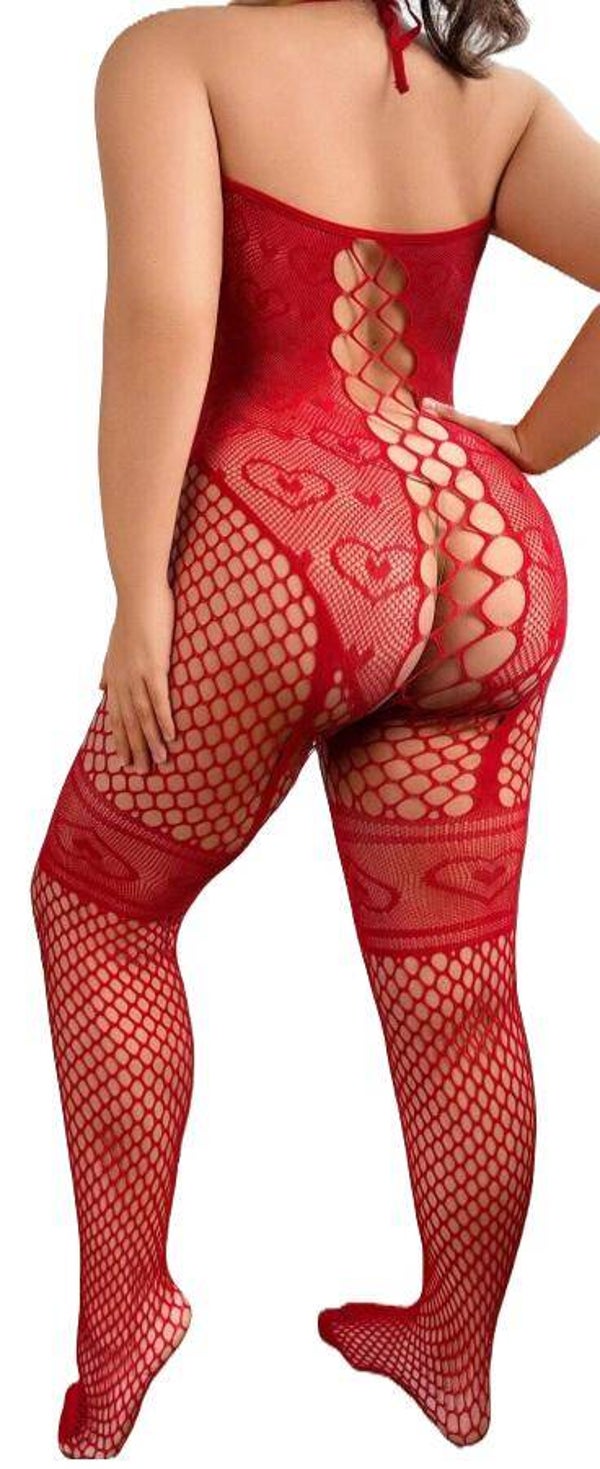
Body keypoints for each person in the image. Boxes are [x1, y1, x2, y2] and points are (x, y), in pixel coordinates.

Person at [29, 0, 599, 1456]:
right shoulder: (491, 102)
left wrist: (138, 587)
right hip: (489, 550)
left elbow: (164, 316)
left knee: (97, 905)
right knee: (459, 984)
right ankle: (456, 1351)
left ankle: (127, 1312)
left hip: (287, 541)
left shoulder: (174, 58)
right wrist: (533, 444)